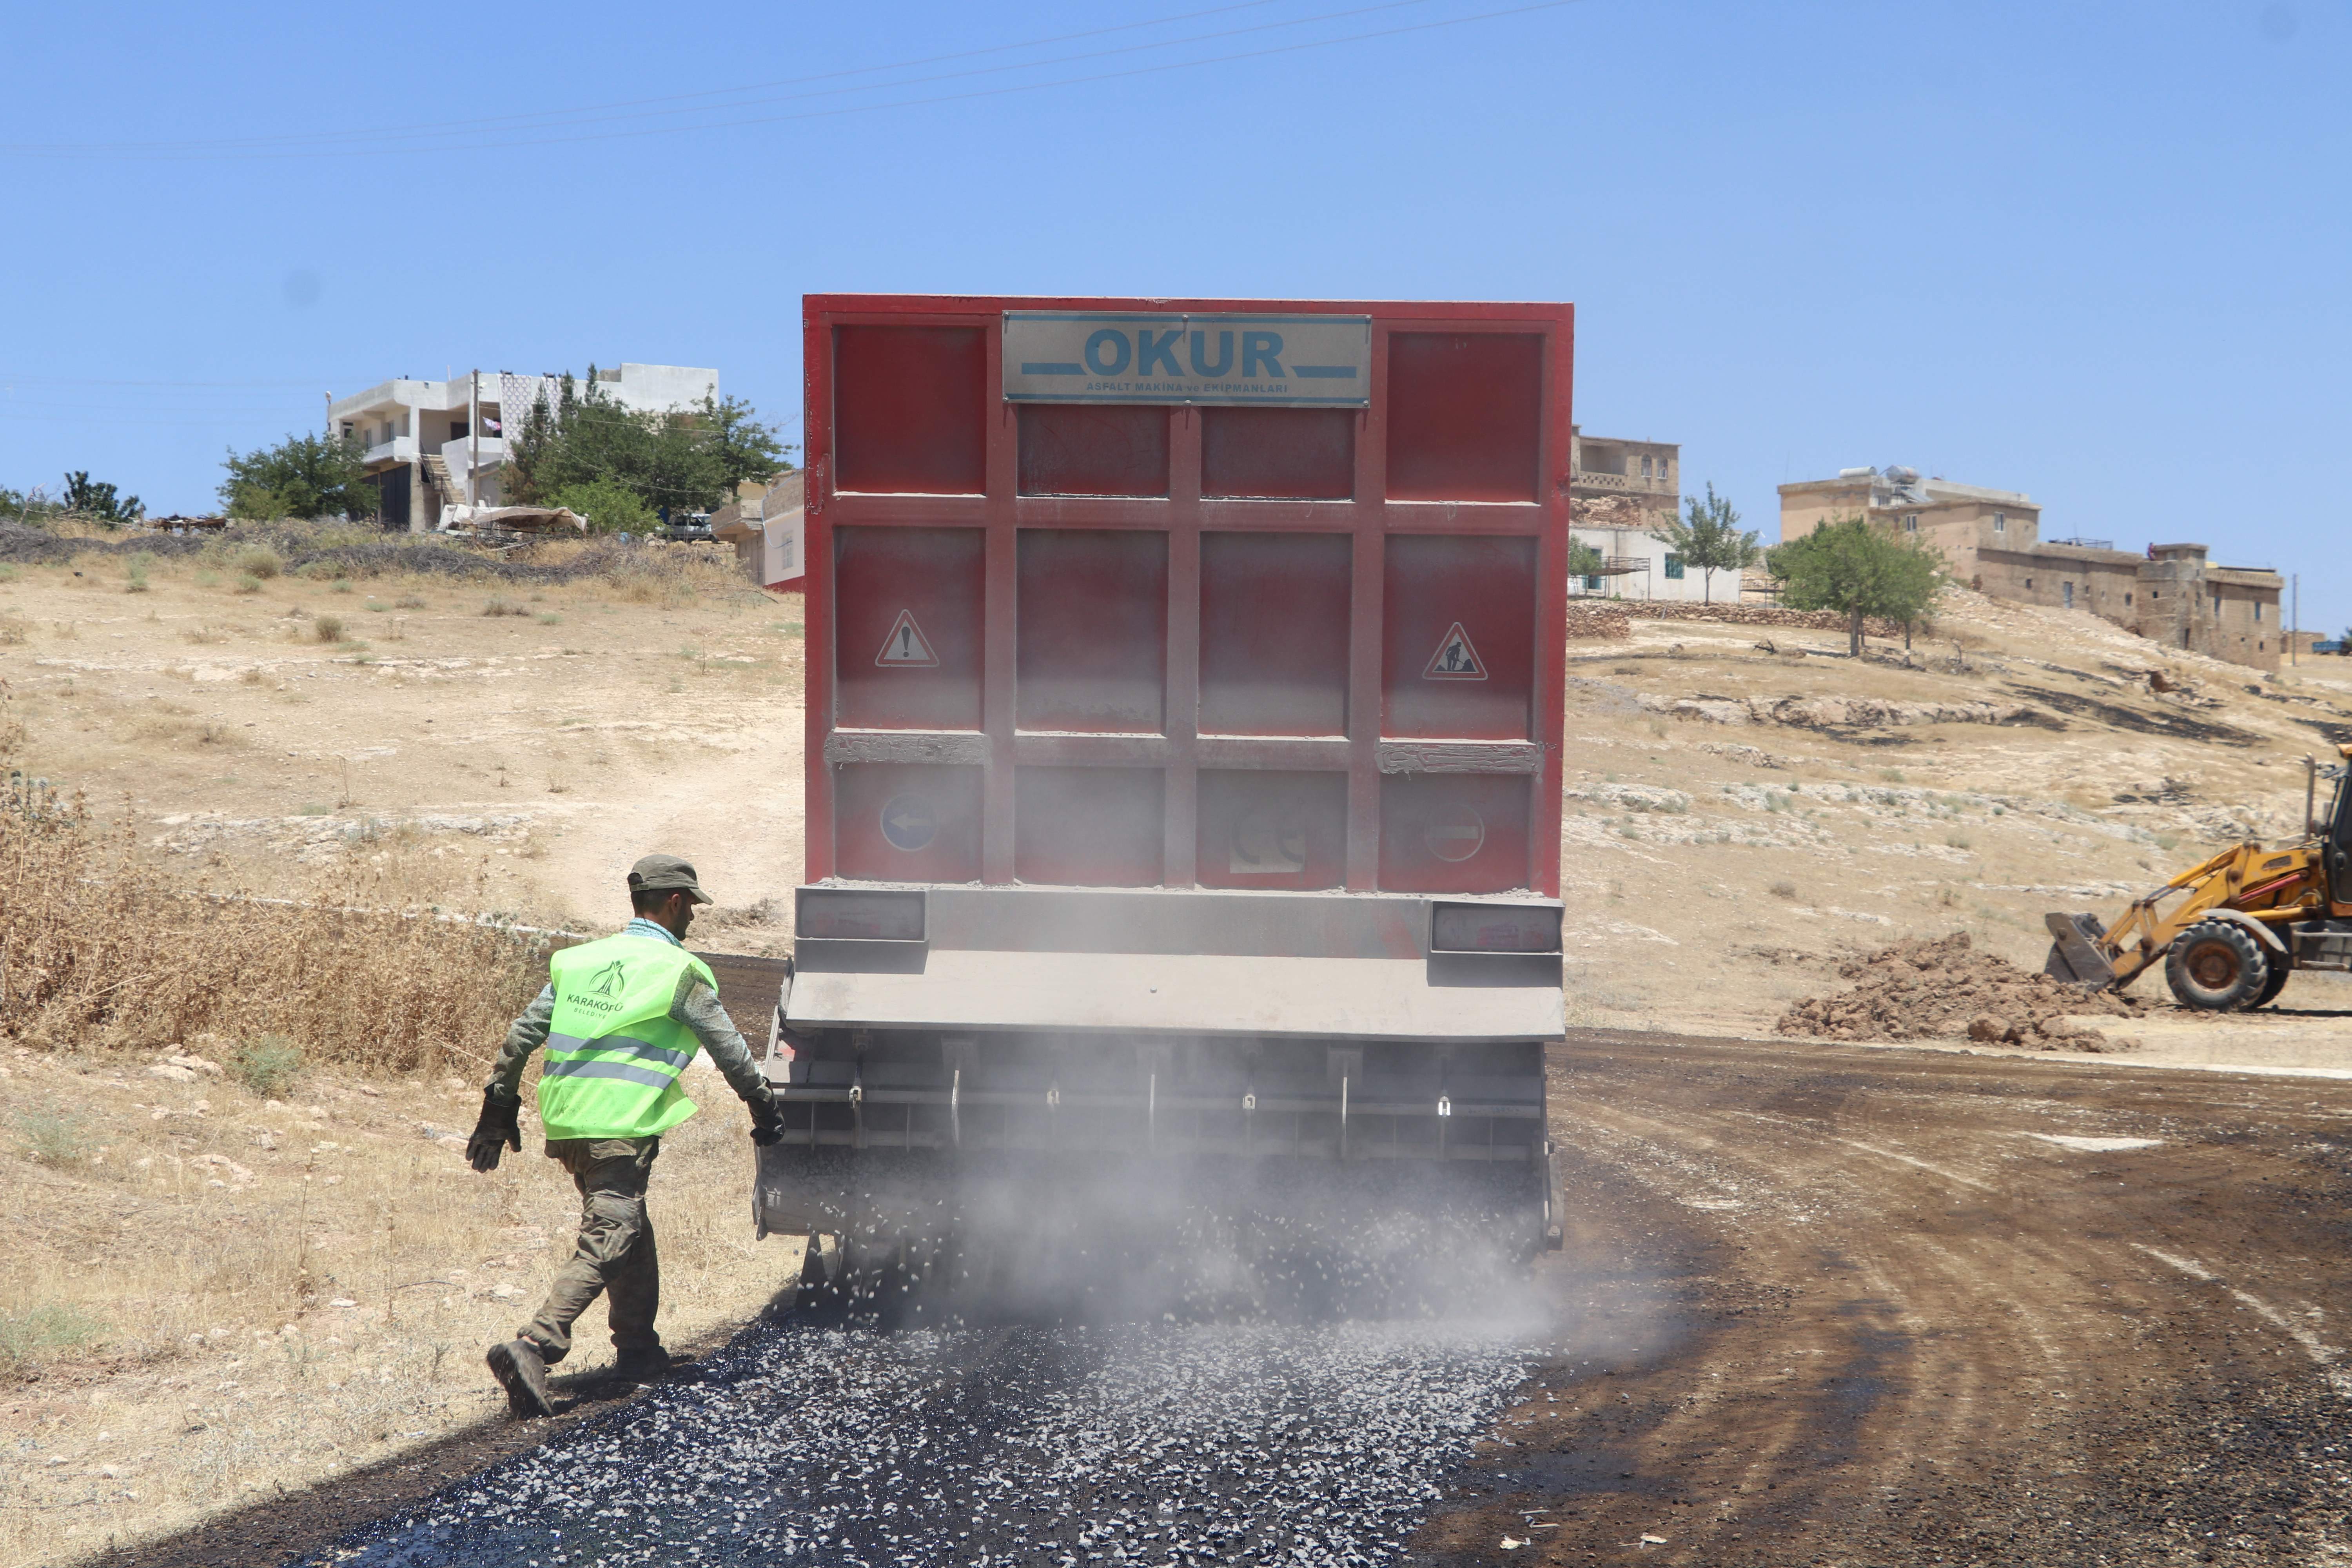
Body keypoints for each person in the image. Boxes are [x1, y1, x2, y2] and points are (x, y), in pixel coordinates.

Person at [465, 852, 784, 1417]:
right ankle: (537, 1344)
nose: (693, 922)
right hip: (619, 1123)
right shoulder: (679, 971)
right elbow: (730, 1049)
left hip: (567, 1122)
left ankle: (638, 1349)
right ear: (676, 903)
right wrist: (763, 1104)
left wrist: (499, 1105)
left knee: (630, 1226)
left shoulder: (582, 962)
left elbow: (522, 1035)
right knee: (614, 1230)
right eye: (692, 910)